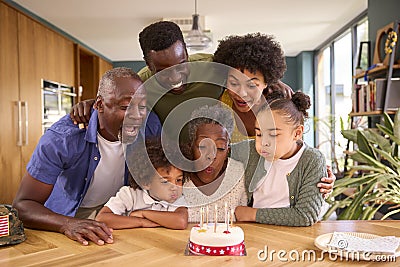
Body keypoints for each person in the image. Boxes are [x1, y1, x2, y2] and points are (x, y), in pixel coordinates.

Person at [69, 21, 334, 196]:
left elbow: (293, 148)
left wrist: (271, 81)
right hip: (185, 173)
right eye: (164, 71)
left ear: (187, 52)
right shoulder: (146, 81)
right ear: (150, 66)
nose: (176, 76)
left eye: (181, 64)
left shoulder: (212, 67)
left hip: (245, 186)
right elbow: (117, 96)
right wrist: (92, 104)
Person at [12, 67, 149, 246]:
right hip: (68, 217)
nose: (137, 116)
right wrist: (67, 224)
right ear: (99, 105)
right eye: (125, 107)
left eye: (142, 106)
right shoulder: (61, 139)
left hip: (117, 214)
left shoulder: (148, 129)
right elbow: (23, 205)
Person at [234, 91, 326, 226]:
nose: (264, 142)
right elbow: (220, 150)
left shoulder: (312, 160)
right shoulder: (251, 150)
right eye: (259, 134)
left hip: (295, 233)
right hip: (255, 230)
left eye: (273, 134)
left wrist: (251, 213)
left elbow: (305, 216)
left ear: (297, 133)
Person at [96, 138, 188, 230]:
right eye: (165, 182)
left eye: (179, 180)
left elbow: (181, 221)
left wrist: (143, 213)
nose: (174, 187)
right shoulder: (130, 194)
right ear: (146, 183)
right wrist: (142, 222)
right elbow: (102, 218)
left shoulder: (177, 198)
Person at [213, 33, 290, 142]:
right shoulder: (223, 104)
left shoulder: (280, 108)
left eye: (251, 85)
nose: (242, 93)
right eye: (234, 83)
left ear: (267, 82)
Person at [182, 104, 247, 222]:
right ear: (191, 146)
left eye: (220, 148)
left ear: (228, 150)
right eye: (203, 146)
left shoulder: (238, 173)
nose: (211, 156)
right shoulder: (177, 175)